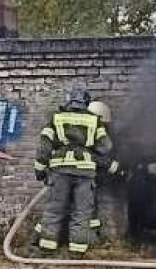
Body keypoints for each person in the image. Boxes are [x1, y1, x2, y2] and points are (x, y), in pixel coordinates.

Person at [34, 88, 119, 257]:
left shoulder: (56, 117)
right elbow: (106, 146)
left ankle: (47, 250)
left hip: (60, 170)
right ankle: (77, 253)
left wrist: (40, 169)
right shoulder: (94, 121)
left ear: (69, 101)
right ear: (86, 103)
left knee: (54, 209)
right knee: (82, 213)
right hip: (85, 173)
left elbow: (44, 146)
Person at [86, 100, 122, 244]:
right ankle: (85, 241)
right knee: (83, 210)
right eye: (103, 125)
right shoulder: (84, 134)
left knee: (90, 209)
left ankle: (92, 239)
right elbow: (91, 155)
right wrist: (112, 166)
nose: (104, 129)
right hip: (78, 177)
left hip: (85, 177)